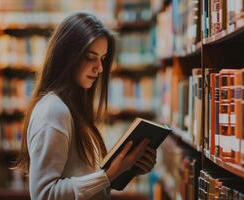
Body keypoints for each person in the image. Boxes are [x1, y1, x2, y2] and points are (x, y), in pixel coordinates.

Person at [15, 13, 157, 200]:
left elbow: (80, 176)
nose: (99, 68)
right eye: (91, 57)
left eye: (103, 58)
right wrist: (108, 175)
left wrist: (128, 168)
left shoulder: (73, 108)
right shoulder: (53, 111)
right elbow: (44, 194)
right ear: (67, 56)